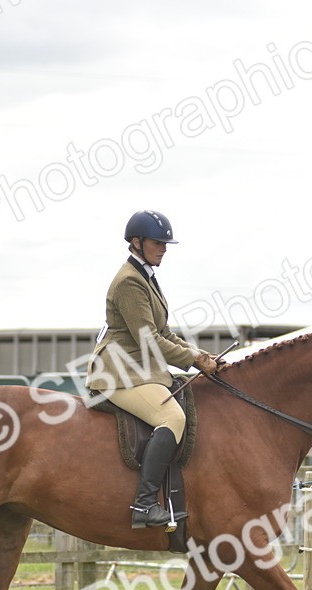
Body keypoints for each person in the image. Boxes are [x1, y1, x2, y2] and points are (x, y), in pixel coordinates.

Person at [86, 210, 219, 533]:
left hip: (139, 368)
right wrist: (194, 360)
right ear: (137, 242)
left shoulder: (145, 276)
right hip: (118, 371)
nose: (163, 248)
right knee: (172, 418)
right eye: (157, 243)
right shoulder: (129, 282)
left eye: (165, 243)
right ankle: (145, 503)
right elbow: (150, 340)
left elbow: (164, 333)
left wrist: (198, 355)